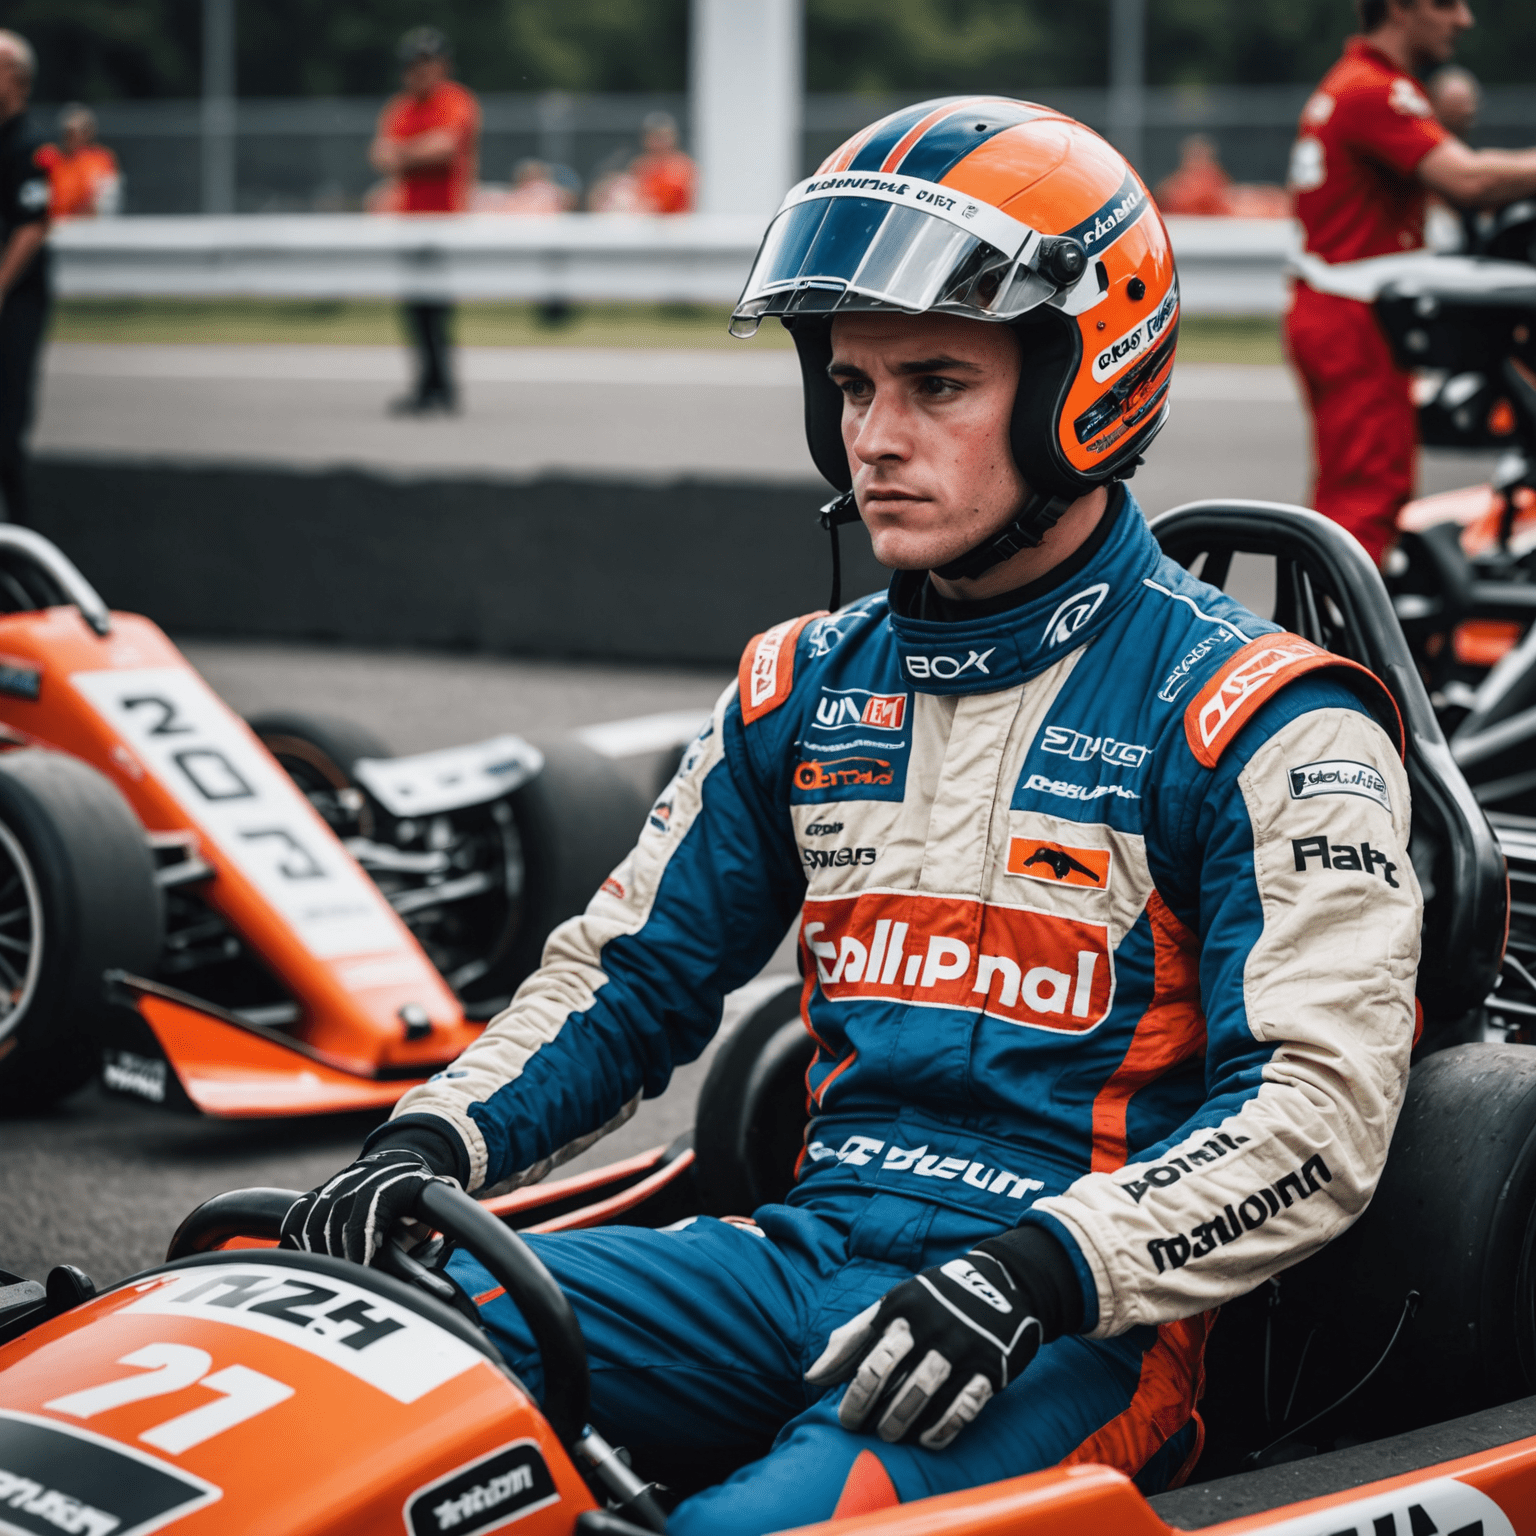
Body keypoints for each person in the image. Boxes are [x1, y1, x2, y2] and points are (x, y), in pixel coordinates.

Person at [283, 97, 1422, 1533]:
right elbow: (625, 985)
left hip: (1070, 1327)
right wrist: (426, 1146)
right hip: (797, 1259)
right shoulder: (799, 687)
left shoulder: (1260, 717)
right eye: (851, 384)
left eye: (936, 383)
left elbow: (1318, 1114)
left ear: (1089, 379)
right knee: (329, 1352)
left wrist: (1038, 1272)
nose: (873, 438)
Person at [1286, 0, 1536, 568]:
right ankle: (1338, 647)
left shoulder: (1354, 82)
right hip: (1352, 313)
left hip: (1337, 307)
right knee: (1366, 500)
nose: (1464, 19)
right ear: (1398, 7)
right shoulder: (1374, 89)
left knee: (1356, 493)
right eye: (1446, 3)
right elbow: (1467, 180)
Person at [370, 26, 480, 414]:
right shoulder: (401, 107)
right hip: (409, 218)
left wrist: (403, 153)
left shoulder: (455, 100)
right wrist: (412, 152)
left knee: (437, 305)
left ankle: (442, 386)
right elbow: (380, 154)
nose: (420, 72)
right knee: (414, 306)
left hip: (444, 217)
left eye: (427, 64)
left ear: (442, 66)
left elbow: (445, 146)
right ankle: (427, 383)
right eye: (414, 65)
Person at [0, 32, 50, 526]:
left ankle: (20, 550)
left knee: (5, 437)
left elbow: (32, 225)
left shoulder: (30, 145)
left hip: (16, 304)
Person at [37, 104, 119, 218]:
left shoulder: (100, 159)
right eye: (66, 132)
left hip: (84, 224)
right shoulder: (48, 156)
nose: (68, 138)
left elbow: (103, 201)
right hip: (51, 221)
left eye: (73, 133)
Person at [630, 110, 695, 214]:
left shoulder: (682, 166)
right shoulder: (641, 165)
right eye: (657, 137)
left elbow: (674, 199)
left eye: (665, 137)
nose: (661, 142)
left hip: (676, 224)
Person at [1153, 134, 1234, 215]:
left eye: (1200, 155)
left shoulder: (1217, 179)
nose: (1196, 162)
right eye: (1194, 156)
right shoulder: (1172, 187)